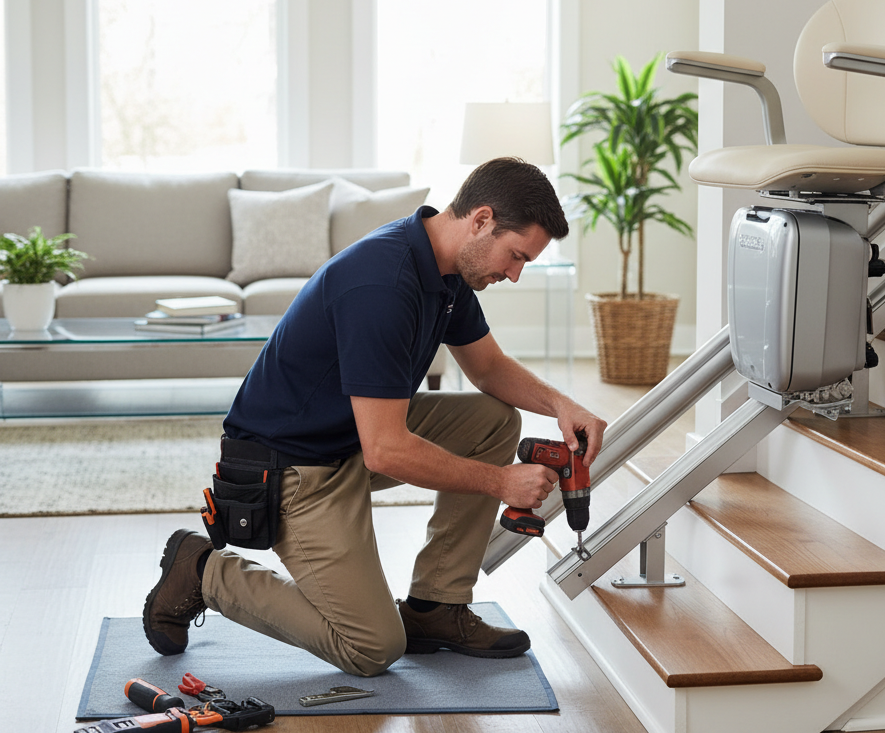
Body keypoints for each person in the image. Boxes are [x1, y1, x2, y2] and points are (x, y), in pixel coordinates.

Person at [142, 157, 607, 677]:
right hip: (289, 470)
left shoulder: (448, 270)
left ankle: (435, 608)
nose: (515, 275)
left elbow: (489, 367)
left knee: (491, 421)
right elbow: (386, 449)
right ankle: (201, 570)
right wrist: (502, 483)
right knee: (370, 647)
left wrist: (563, 406)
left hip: (346, 442)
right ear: (480, 219)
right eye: (516, 256)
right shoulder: (383, 284)